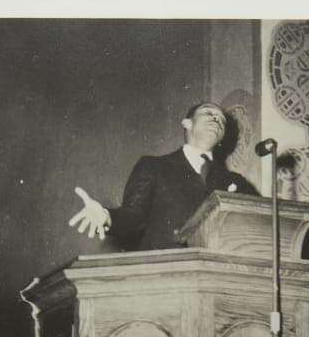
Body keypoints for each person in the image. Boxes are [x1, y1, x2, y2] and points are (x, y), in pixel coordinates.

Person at [69, 101, 258, 251]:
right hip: (166, 279)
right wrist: (107, 217)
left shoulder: (236, 182)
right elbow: (133, 217)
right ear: (187, 123)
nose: (216, 120)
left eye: (221, 120)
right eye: (209, 113)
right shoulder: (154, 167)